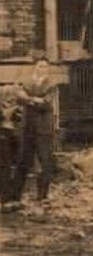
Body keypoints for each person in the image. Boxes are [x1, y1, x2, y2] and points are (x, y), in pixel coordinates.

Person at [15, 56, 56, 203]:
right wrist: (34, 99)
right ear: (35, 67)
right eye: (40, 66)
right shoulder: (26, 81)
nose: (42, 69)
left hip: (44, 129)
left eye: (45, 66)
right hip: (28, 128)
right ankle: (15, 196)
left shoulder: (51, 84)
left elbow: (46, 104)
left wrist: (29, 98)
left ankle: (42, 196)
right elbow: (19, 96)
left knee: (45, 162)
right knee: (22, 161)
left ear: (48, 69)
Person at [0, 84, 23, 211]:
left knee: (9, 167)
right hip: (2, 136)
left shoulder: (15, 110)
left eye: (12, 97)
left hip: (10, 136)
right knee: (4, 167)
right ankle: (4, 200)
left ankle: (9, 197)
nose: (10, 100)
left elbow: (17, 121)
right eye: (7, 97)